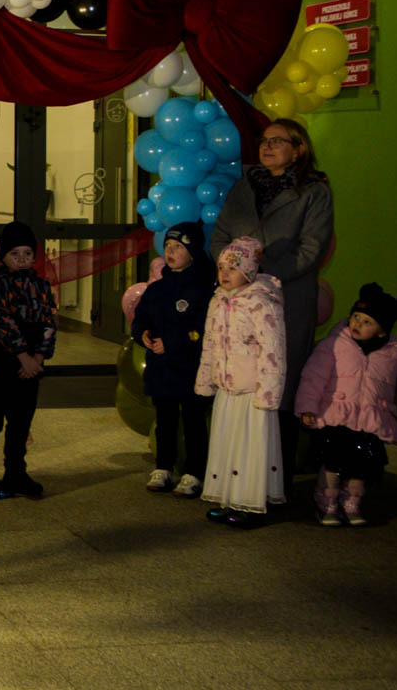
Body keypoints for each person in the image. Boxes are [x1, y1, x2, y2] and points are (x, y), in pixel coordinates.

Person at [208, 118, 333, 467]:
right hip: (239, 302)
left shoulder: (314, 192)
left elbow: (311, 250)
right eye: (264, 140)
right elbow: (219, 237)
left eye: (278, 141)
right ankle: (240, 473)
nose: (267, 146)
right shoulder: (244, 186)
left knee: (281, 385)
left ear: (299, 149)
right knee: (241, 382)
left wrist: (258, 276)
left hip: (286, 298)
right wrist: (234, 272)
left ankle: (276, 474)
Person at [296, 283, 397, 526]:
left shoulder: (393, 352)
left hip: (369, 421)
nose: (357, 323)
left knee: (360, 467)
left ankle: (351, 501)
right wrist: (308, 406)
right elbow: (313, 377)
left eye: (367, 322)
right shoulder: (333, 345)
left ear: (382, 331)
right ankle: (327, 501)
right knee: (333, 464)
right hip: (337, 417)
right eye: (356, 316)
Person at [195, 237, 286, 528]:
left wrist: (268, 392)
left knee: (249, 445)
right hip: (227, 388)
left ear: (248, 270)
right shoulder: (218, 300)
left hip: (252, 391)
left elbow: (273, 350)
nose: (225, 274)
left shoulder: (261, 302)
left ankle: (248, 502)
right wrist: (206, 379)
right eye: (221, 267)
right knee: (227, 442)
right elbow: (209, 343)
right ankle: (228, 498)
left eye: (232, 268)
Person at [0, 222, 55, 500]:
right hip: (4, 360)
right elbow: (1, 321)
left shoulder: (41, 285)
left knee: (21, 420)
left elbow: (49, 321)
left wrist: (38, 358)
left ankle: (16, 472)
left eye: (27, 254)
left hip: (32, 363)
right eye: (15, 254)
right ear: (4, 255)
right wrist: (23, 357)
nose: (21, 259)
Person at [132, 222, 215, 498]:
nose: (170, 251)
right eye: (168, 245)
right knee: (165, 420)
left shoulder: (204, 288)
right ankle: (163, 467)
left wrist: (173, 342)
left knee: (193, 422)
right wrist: (142, 334)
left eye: (178, 247)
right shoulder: (157, 289)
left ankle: (194, 472)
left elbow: (203, 328)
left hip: (189, 368)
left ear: (193, 252)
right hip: (162, 370)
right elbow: (141, 318)